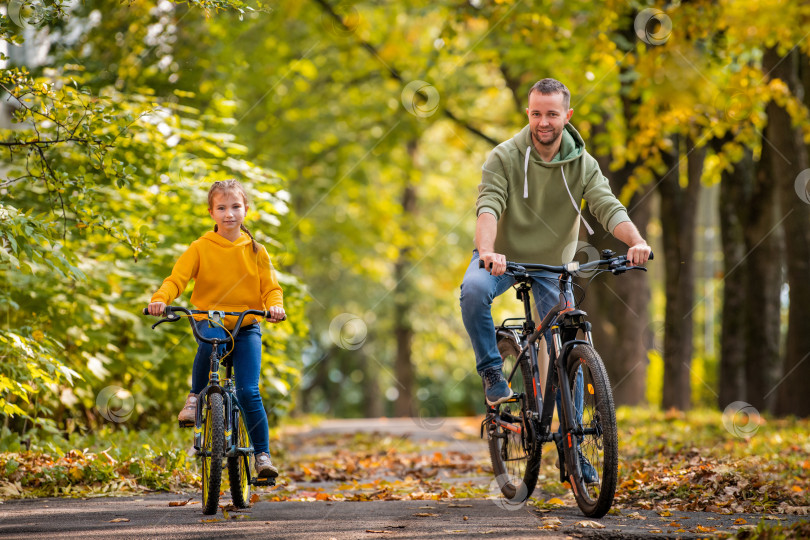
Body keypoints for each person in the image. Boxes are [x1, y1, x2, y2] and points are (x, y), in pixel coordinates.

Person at [460, 78, 651, 482]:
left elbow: (606, 205)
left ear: (567, 115)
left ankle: (575, 449)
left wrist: (636, 241)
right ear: (527, 113)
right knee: (473, 291)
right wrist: (489, 252)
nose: (543, 122)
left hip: (554, 267)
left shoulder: (583, 164)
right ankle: (493, 371)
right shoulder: (504, 156)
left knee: (572, 344)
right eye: (535, 113)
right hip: (502, 259)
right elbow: (488, 206)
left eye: (551, 113)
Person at [146, 179, 286, 479]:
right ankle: (195, 397)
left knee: (249, 391)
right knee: (210, 342)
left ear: (246, 209)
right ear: (211, 213)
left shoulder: (256, 250)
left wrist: (275, 306)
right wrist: (160, 299)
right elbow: (177, 279)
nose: (229, 214)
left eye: (235, 206)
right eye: (221, 208)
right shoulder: (200, 247)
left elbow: (271, 288)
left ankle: (262, 455)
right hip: (211, 319)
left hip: (247, 325)